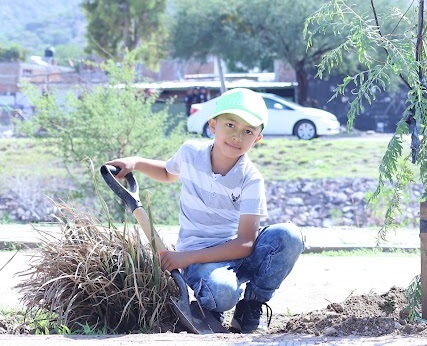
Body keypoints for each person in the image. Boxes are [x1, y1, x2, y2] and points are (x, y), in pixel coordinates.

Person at [107, 88, 305, 334]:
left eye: (248, 131)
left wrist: (182, 258)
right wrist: (135, 162)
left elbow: (245, 243)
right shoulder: (191, 153)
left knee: (290, 236)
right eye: (230, 125)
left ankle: (251, 304)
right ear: (213, 125)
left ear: (257, 138)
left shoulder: (251, 179)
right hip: (199, 255)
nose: (237, 136)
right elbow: (169, 173)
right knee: (222, 293)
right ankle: (212, 304)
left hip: (234, 250)